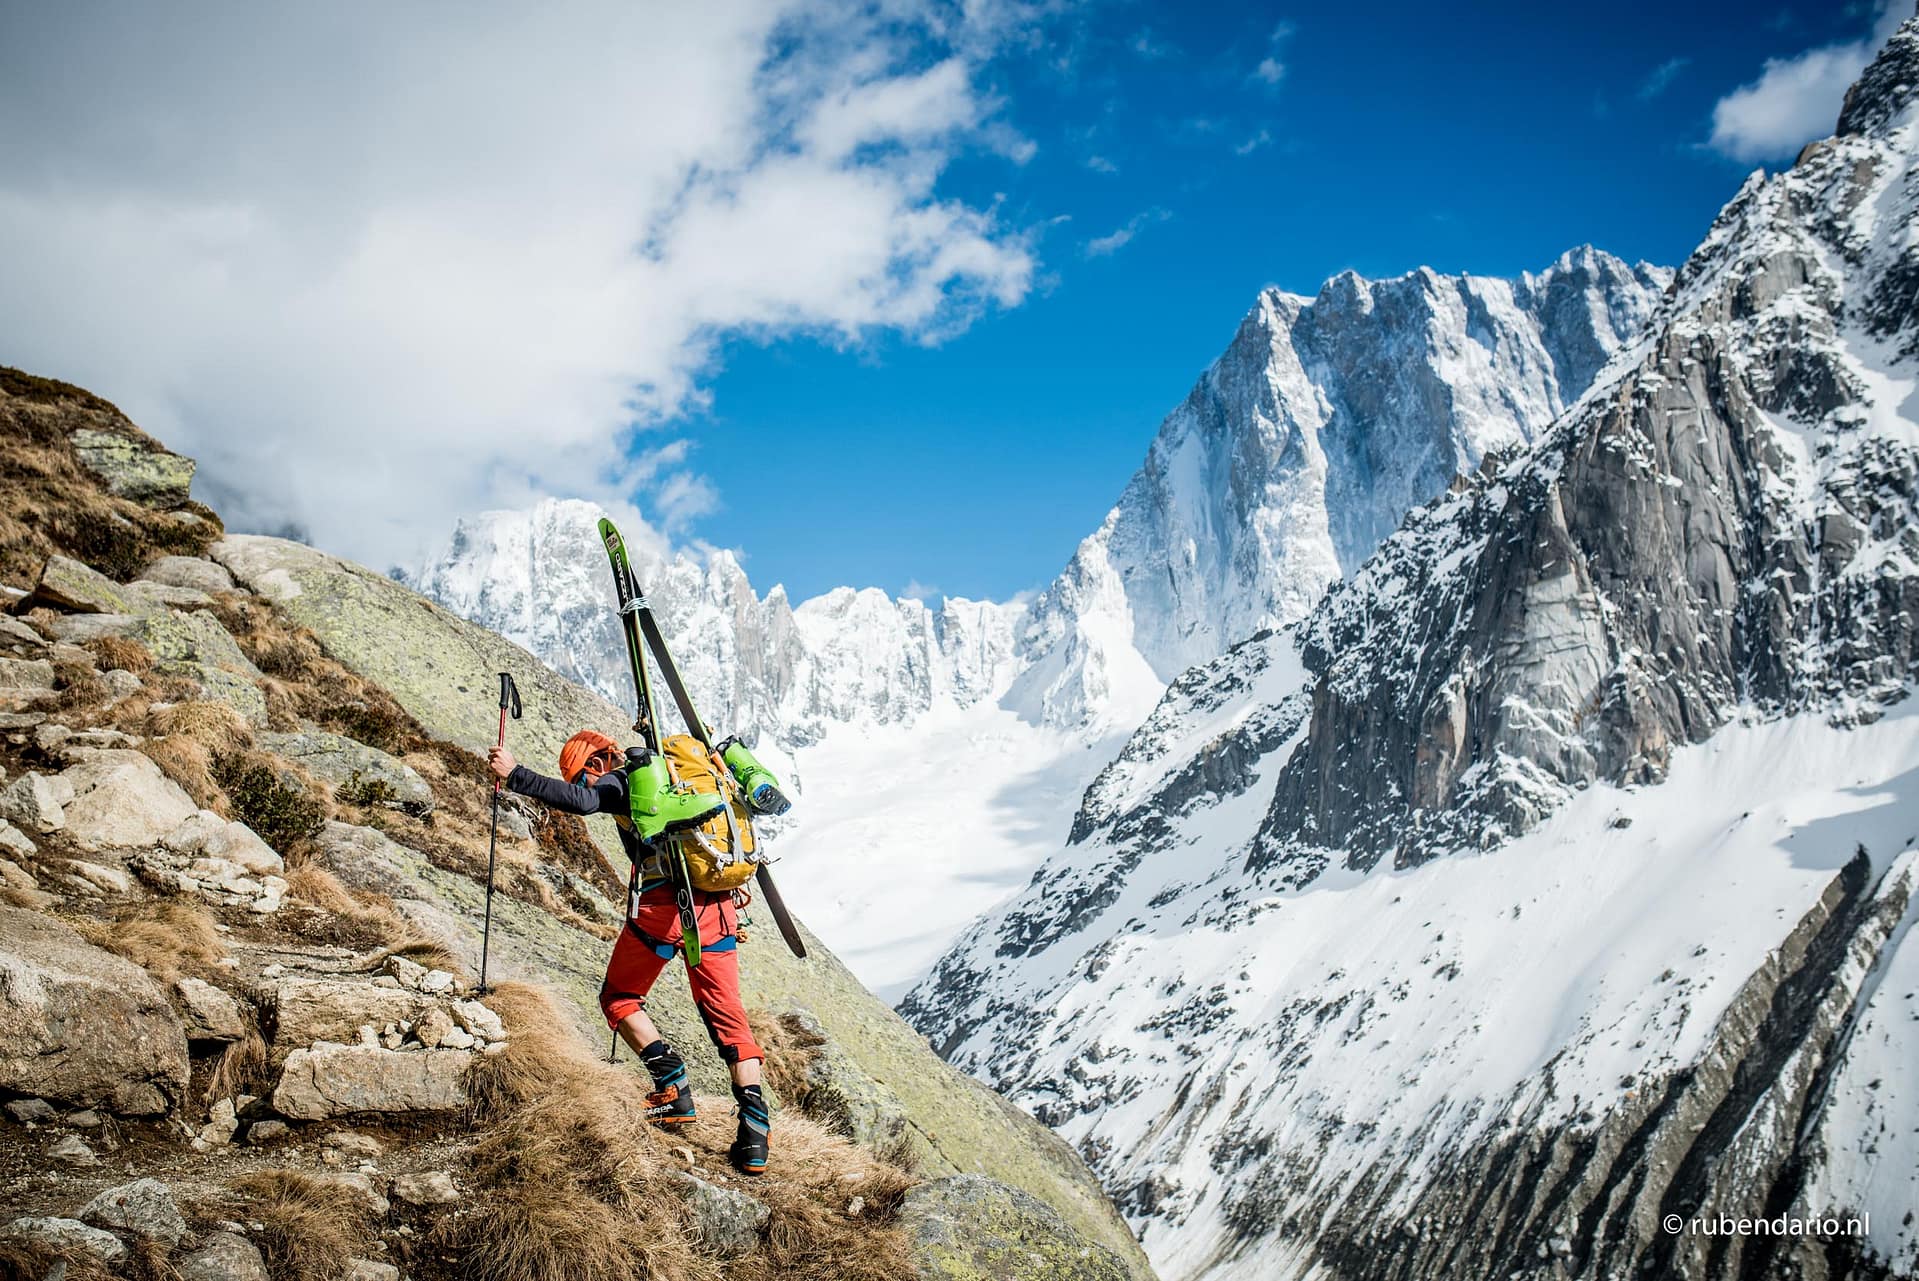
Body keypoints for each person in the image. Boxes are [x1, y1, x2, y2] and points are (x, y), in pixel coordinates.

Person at [487, 729, 771, 1175]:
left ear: (595, 764)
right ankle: (755, 1136)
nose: (585, 786)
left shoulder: (625, 781)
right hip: (718, 909)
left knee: (619, 997)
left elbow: (581, 802)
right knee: (729, 1020)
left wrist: (515, 774)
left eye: (583, 776)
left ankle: (672, 1087)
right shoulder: (682, 774)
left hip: (662, 910)